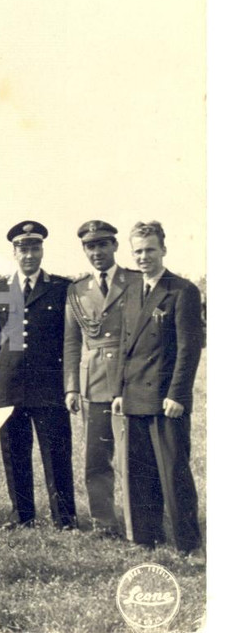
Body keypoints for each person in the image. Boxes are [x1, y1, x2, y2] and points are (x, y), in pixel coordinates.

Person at [112, 221, 203, 554]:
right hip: (135, 395)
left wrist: (178, 395)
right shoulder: (132, 291)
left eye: (150, 250)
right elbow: (125, 345)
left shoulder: (182, 290)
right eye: (137, 251)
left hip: (166, 399)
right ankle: (145, 539)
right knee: (140, 474)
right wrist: (119, 391)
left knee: (174, 474)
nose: (143, 257)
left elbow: (189, 349)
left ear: (163, 249)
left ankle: (188, 545)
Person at [0, 221, 76, 530]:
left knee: (57, 452)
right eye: (23, 249)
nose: (29, 255)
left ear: (42, 251)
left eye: (34, 248)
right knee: (15, 452)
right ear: (14, 252)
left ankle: (64, 518)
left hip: (49, 384)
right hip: (10, 385)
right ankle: (22, 515)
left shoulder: (61, 288)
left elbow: (67, 336)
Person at [62, 220, 136, 537]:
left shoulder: (134, 281)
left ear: (115, 246)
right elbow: (71, 342)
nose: (97, 252)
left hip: (130, 379)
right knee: (96, 459)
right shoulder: (77, 290)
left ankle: (138, 524)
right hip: (92, 384)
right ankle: (104, 522)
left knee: (132, 457)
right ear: (84, 250)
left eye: (103, 244)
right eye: (90, 246)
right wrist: (71, 387)